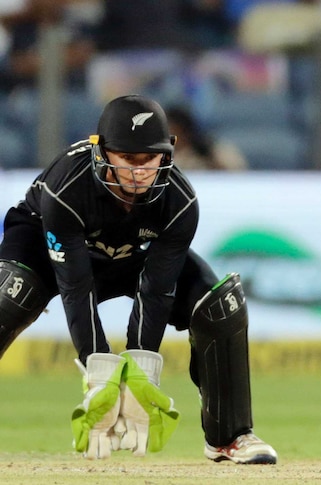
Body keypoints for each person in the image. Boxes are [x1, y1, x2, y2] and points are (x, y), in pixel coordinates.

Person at [0, 94, 277, 464]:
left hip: (133, 253)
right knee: (8, 294)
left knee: (220, 307)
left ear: (168, 153)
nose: (139, 172)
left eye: (149, 159)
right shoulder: (66, 189)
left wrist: (139, 374)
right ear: (102, 150)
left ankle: (230, 437)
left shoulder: (180, 202)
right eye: (128, 159)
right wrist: (102, 376)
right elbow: (75, 286)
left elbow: (158, 288)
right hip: (44, 244)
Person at [166, 105, 249, 171]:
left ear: (184, 131)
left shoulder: (215, 149)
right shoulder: (163, 158)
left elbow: (238, 173)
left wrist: (211, 162)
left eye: (173, 131)